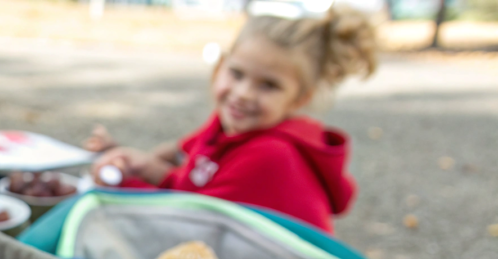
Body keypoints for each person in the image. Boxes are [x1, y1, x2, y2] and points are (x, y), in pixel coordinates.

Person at [89, 7, 377, 233]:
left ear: (300, 99)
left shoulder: (272, 155)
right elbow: (189, 179)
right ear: (220, 66)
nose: (242, 93)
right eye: (237, 74)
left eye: (268, 85)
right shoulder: (228, 127)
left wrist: (121, 185)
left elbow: (189, 221)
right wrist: (148, 168)